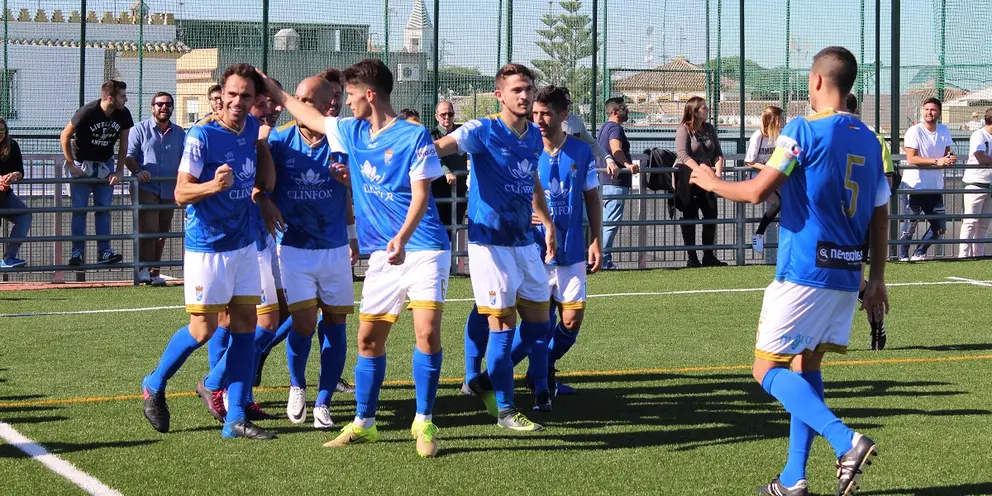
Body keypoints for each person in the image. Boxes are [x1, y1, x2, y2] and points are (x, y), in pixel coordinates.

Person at [689, 46, 887, 496]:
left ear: (816, 81)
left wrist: (710, 181)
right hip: (845, 274)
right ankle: (794, 479)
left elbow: (759, 191)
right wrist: (876, 278)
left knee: (766, 370)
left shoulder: (801, 128)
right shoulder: (872, 140)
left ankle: (846, 440)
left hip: (804, 271)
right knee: (805, 365)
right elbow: (880, 216)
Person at [264, 58, 451, 457]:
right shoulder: (351, 132)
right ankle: (365, 423)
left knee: (427, 333)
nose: (343, 103)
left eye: (348, 95)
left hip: (424, 248)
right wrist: (274, 90)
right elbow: (309, 115)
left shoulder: (413, 135)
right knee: (367, 340)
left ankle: (425, 420)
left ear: (369, 95)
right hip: (384, 255)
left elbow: (422, 196)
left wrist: (402, 236)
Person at [141, 63, 281, 440]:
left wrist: (262, 152)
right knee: (202, 329)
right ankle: (154, 383)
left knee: (244, 330)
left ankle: (235, 417)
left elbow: (261, 176)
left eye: (246, 95)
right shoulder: (201, 136)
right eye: (232, 94)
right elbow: (180, 192)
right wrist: (212, 187)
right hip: (207, 248)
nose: (237, 101)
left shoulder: (252, 128)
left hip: (244, 244)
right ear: (221, 94)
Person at [434, 63, 557, 433]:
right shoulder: (481, 129)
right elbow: (441, 147)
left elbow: (532, 178)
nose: (524, 95)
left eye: (528, 89)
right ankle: (505, 409)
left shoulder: (534, 136)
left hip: (524, 241)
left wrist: (547, 221)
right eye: (517, 89)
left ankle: (485, 380)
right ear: (499, 95)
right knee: (502, 324)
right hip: (490, 243)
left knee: (540, 325)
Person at [254, 69, 357, 397]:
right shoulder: (277, 140)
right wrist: (262, 200)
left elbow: (350, 195)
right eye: (297, 99)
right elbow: (259, 184)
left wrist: (353, 234)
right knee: (299, 322)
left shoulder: (343, 139)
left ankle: (325, 395)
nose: (298, 105)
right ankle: (281, 376)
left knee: (334, 323)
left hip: (334, 247)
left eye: (306, 101)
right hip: (291, 247)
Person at [525, 85, 603, 411]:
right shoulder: (525, 148)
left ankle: (540, 367)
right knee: (539, 321)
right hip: (535, 250)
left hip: (571, 250)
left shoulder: (581, 152)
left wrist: (596, 238)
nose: (539, 120)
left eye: (545, 113)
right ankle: (543, 382)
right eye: (535, 114)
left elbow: (592, 197)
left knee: (571, 320)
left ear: (562, 115)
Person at [60, 80, 134, 266]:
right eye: (122, 96)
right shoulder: (87, 112)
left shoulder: (123, 114)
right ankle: (77, 252)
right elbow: (65, 136)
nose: (125, 99)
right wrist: (70, 165)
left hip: (104, 165)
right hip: (82, 164)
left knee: (103, 210)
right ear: (110, 98)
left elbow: (124, 144)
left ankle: (105, 252)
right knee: (79, 211)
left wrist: (118, 170)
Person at [846, 93, 894, 351]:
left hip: (859, 221)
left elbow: (886, 178)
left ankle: (877, 324)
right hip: (834, 222)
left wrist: (871, 209)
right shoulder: (826, 136)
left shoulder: (873, 139)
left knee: (854, 280)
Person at [126, 92, 185, 285]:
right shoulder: (139, 129)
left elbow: (185, 159)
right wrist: (138, 171)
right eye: (159, 104)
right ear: (152, 107)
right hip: (146, 187)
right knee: (149, 228)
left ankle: (154, 272)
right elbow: (129, 156)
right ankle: (143, 268)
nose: (163, 107)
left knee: (162, 231)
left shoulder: (179, 133)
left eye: (168, 104)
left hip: (170, 188)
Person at [899, 97, 955, 261]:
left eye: (933, 109)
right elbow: (912, 159)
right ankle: (903, 257)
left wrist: (950, 158)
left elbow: (947, 153)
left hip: (934, 186)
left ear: (939, 112)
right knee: (910, 224)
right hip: (913, 185)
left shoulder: (944, 130)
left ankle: (919, 252)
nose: (929, 112)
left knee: (940, 226)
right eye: (926, 109)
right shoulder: (914, 131)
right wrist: (937, 161)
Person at [675, 96, 726, 267]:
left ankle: (708, 255)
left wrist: (717, 171)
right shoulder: (684, 129)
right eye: (703, 107)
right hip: (689, 177)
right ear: (694, 111)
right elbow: (683, 154)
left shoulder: (709, 129)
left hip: (708, 177)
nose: (707, 110)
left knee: (711, 214)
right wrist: (698, 170)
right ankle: (692, 257)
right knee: (689, 214)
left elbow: (718, 153)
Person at [598, 97, 639, 270]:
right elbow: (616, 150)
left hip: (606, 182)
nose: (627, 110)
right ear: (614, 112)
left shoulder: (604, 128)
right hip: (615, 182)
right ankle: (604, 259)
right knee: (610, 222)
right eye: (623, 108)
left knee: (606, 221)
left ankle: (599, 257)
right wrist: (628, 165)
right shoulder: (615, 128)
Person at [745, 106, 785, 254]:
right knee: (777, 203)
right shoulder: (758, 136)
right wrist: (767, 169)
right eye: (779, 119)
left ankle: (786, 232)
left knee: (791, 198)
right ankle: (759, 233)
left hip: (772, 175)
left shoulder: (778, 136)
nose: (782, 122)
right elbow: (749, 161)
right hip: (758, 176)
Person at [430, 101, 467, 241]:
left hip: (459, 189)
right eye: (443, 114)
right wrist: (446, 171)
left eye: (450, 114)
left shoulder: (462, 133)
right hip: (440, 190)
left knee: (454, 228)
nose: (447, 117)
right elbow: (432, 156)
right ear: (436, 116)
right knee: (439, 229)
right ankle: (443, 261)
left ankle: (450, 261)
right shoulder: (432, 136)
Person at [959, 108, 992, 258]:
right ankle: (963, 256)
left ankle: (978, 256)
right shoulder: (978, 135)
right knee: (970, 221)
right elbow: (980, 157)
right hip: (975, 183)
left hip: (990, 185)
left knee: (984, 223)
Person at [0, 117, 32, 268]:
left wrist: (14, 175)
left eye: (3, 130)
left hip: (4, 196)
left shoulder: (12, 145)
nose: (1, 133)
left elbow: (20, 170)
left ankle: (9, 257)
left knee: (24, 215)